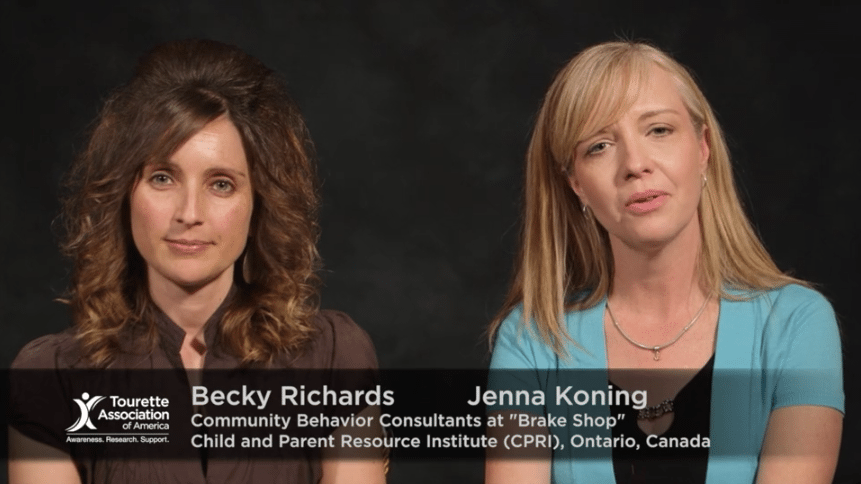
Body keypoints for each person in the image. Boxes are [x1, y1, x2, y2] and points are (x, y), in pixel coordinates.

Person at [9, 39, 386, 484]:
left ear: (259, 204)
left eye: (221, 184)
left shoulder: (335, 356)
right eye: (163, 178)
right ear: (124, 193)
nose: (189, 213)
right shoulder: (50, 378)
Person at [485, 41, 843, 484]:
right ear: (576, 183)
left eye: (658, 130)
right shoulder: (533, 338)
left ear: (703, 147)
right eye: (599, 146)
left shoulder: (796, 324)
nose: (635, 164)